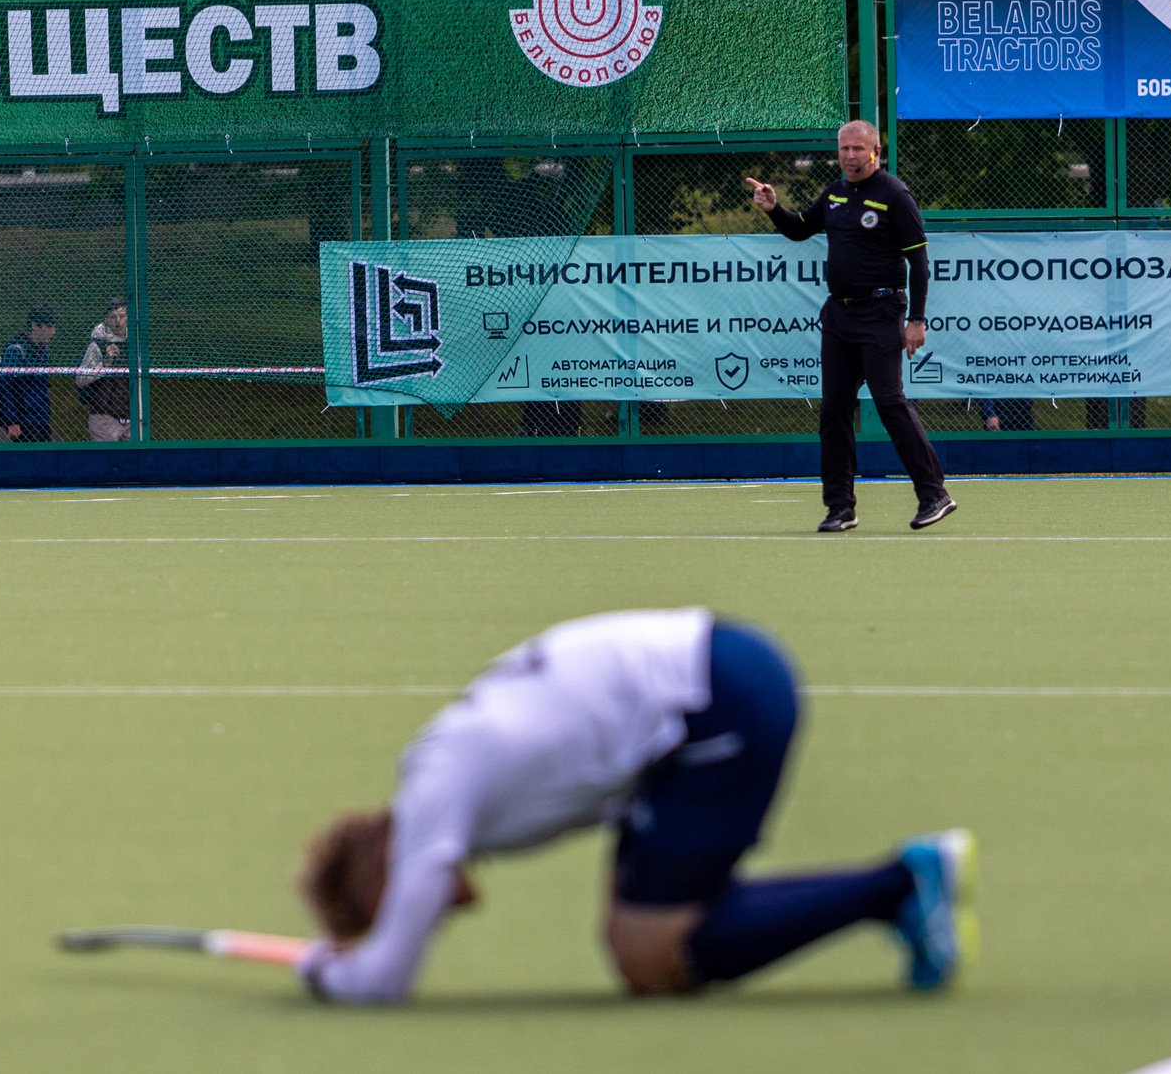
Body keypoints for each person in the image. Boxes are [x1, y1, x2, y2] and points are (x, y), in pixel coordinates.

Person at [293, 608, 974, 1004]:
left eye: (394, 909)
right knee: (638, 944)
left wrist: (328, 971)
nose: (427, 917)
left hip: (716, 699)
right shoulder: (448, 779)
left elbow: (385, 980)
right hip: (694, 706)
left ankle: (903, 884)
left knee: (652, 956)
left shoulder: (433, 787)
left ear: (386, 861)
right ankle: (892, 890)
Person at [746, 122, 958, 532]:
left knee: (890, 402)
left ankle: (934, 494)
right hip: (839, 317)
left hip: (882, 313)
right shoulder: (835, 192)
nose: (849, 156)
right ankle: (840, 507)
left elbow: (919, 263)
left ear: (877, 150)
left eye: (858, 148)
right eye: (844, 148)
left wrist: (916, 319)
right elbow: (800, 229)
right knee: (834, 411)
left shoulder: (894, 195)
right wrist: (774, 208)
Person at [0, 306, 58, 441]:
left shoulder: (44, 352)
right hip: (24, 419)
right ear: (35, 326)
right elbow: (4, 386)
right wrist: (12, 421)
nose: (53, 332)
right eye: (49, 327)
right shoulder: (16, 351)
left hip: (42, 417)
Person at [75, 297, 132, 441]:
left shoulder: (134, 342)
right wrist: (106, 364)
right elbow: (81, 379)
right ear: (106, 319)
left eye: (122, 316)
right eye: (113, 317)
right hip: (104, 415)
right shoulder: (98, 344)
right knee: (107, 459)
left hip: (132, 413)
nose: (118, 321)